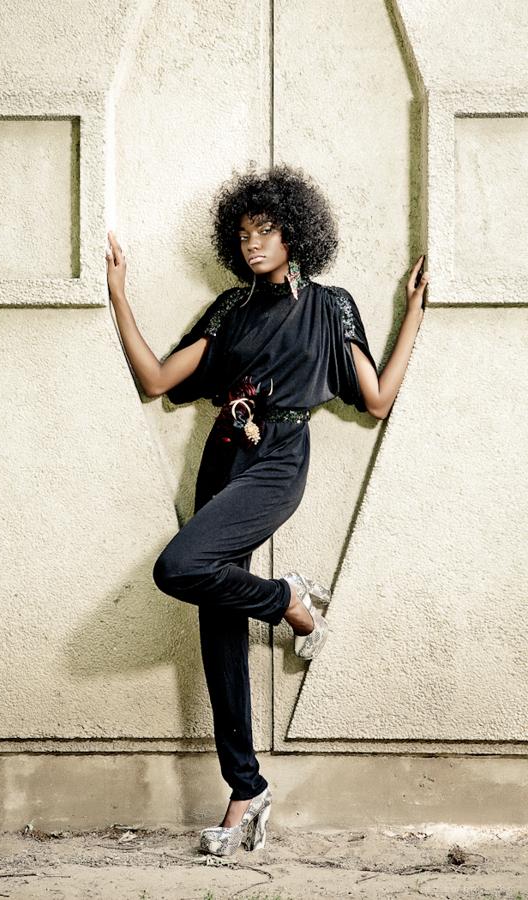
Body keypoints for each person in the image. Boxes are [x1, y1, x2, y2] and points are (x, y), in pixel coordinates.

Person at [105, 164, 428, 857]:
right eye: (244, 233)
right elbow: (156, 379)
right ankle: (246, 788)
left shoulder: (331, 305)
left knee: (177, 566)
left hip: (279, 458)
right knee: (215, 622)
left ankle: (288, 601)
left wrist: (414, 317)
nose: (253, 243)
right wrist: (119, 295)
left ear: (294, 235)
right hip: (223, 454)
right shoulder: (230, 308)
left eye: (266, 231)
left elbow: (375, 398)